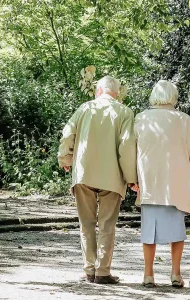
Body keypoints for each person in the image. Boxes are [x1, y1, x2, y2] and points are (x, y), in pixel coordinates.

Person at [58, 76, 137, 284]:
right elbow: (127, 147)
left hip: (84, 174)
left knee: (86, 223)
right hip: (112, 177)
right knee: (107, 225)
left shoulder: (84, 108)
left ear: (99, 90)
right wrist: (131, 178)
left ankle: (89, 269)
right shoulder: (125, 112)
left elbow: (67, 135)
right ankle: (103, 272)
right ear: (116, 93)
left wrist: (65, 158)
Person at [132, 80, 190, 288]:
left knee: (149, 231)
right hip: (176, 183)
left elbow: (131, 151)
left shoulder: (141, 118)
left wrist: (132, 179)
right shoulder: (183, 120)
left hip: (150, 182)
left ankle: (148, 274)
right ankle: (175, 273)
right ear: (174, 97)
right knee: (177, 230)